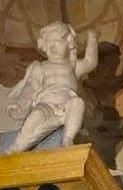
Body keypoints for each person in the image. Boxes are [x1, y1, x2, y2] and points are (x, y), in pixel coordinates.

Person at [7, 22, 98, 153]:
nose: (52, 46)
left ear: (69, 44)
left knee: (78, 104)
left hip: (66, 105)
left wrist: (92, 39)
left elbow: (90, 61)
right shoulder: (40, 67)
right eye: (48, 42)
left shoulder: (73, 67)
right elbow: (31, 89)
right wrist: (20, 106)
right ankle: (17, 146)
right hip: (46, 105)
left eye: (57, 41)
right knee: (35, 117)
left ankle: (68, 139)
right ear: (43, 45)